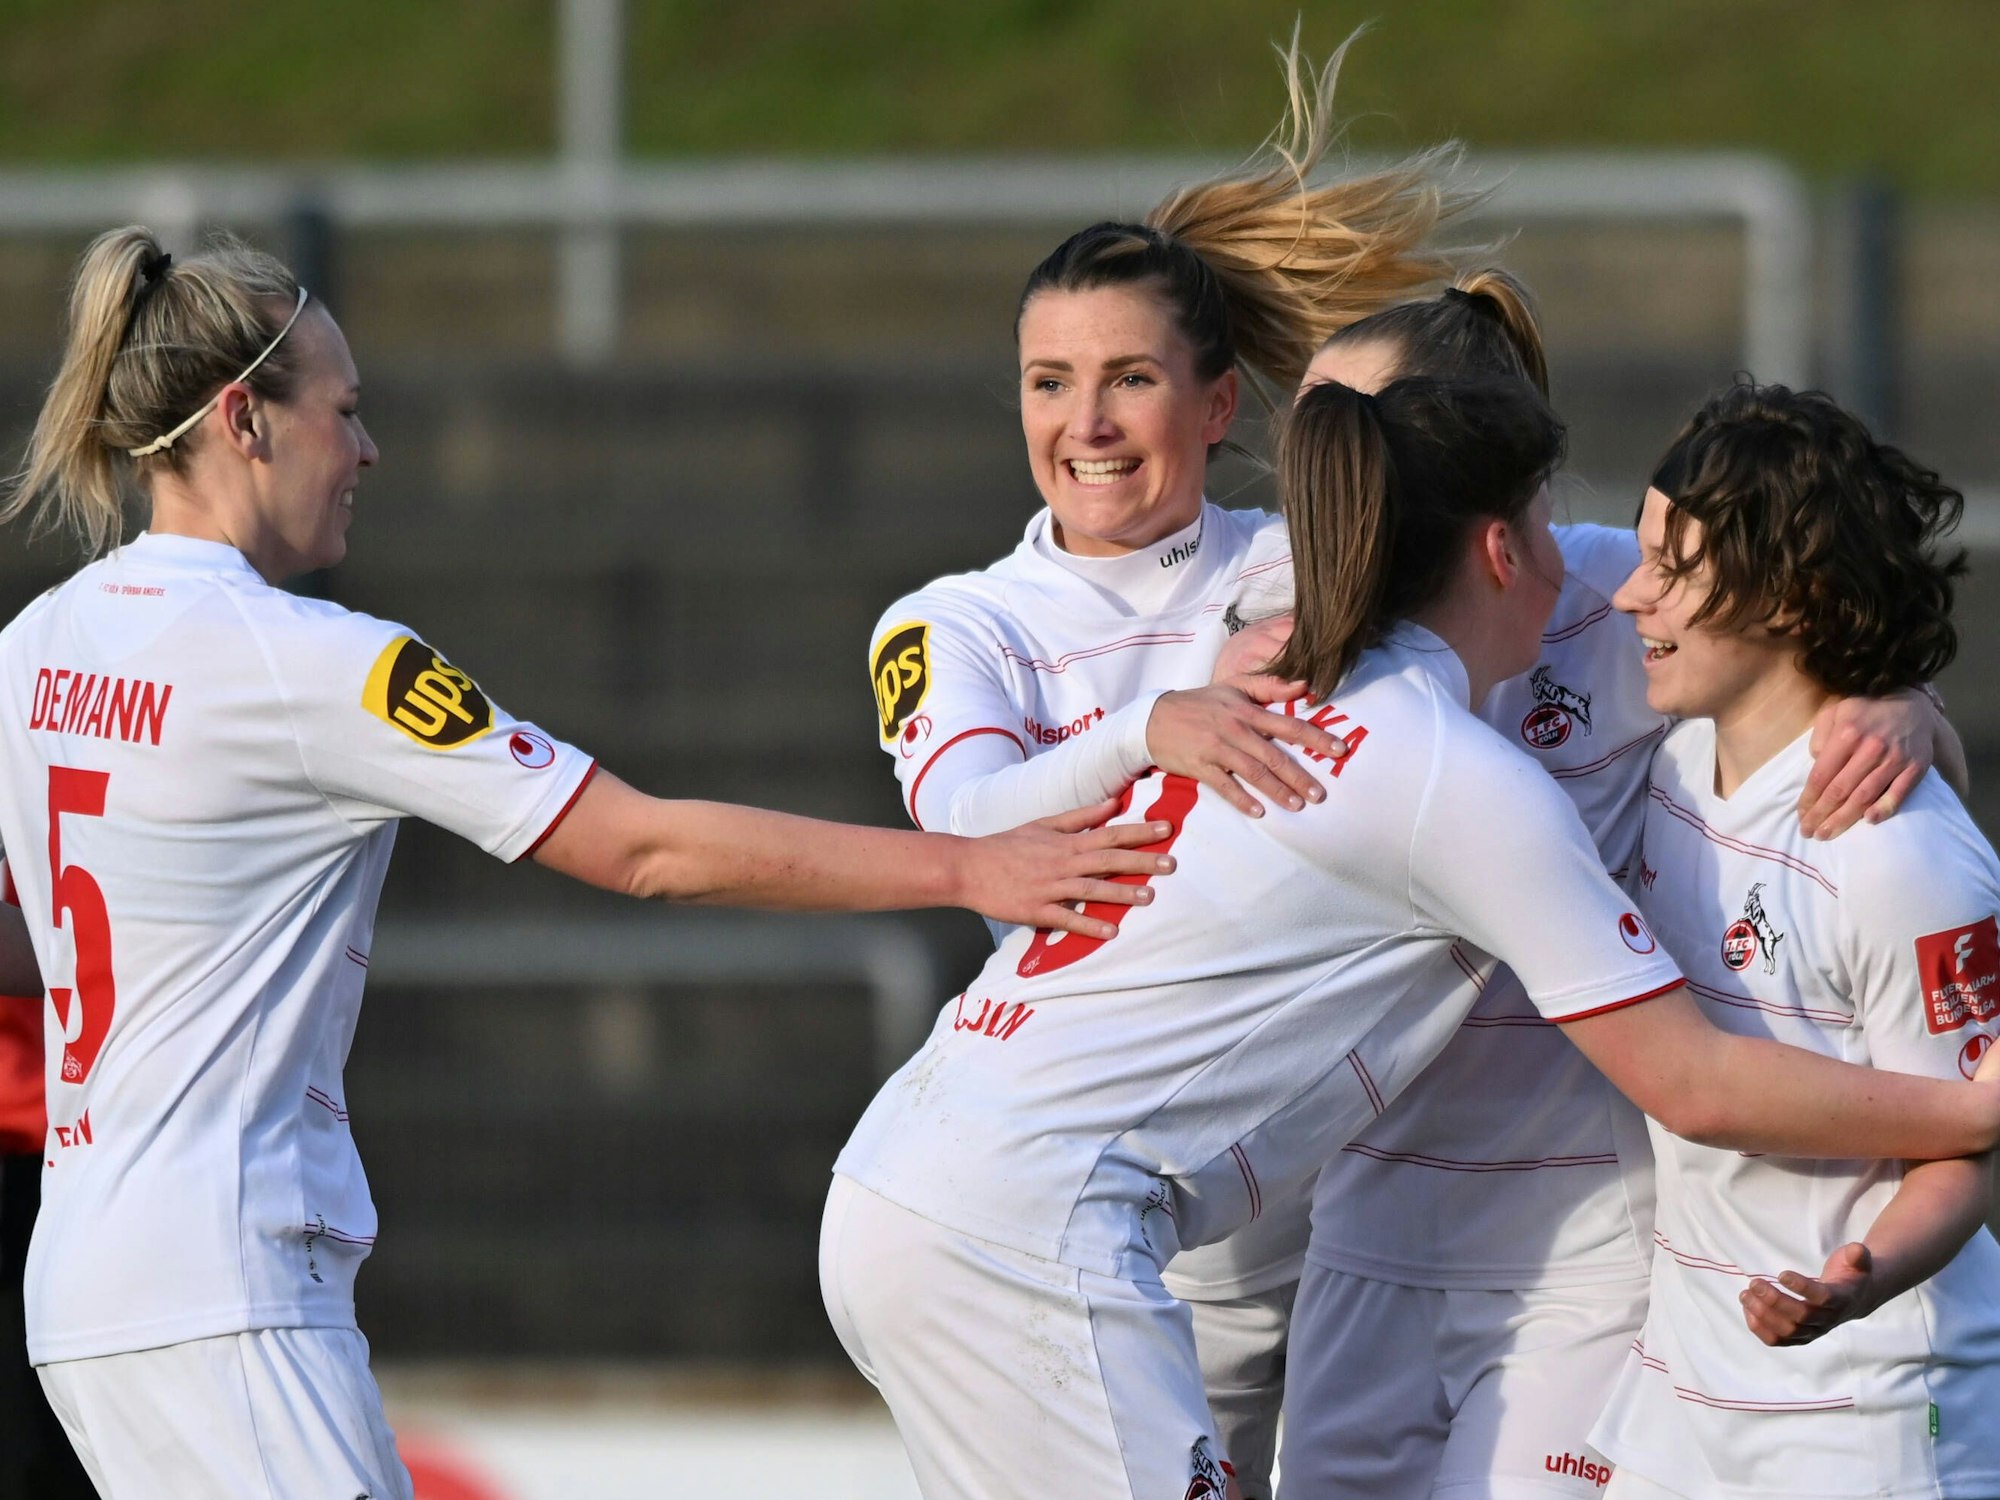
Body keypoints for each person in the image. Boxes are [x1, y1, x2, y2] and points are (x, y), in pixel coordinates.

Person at [0, 227, 1176, 1500]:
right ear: (244, 419)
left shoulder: (38, 644)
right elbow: (647, 846)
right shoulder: (306, 661)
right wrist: (968, 871)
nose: (367, 451)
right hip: (221, 1288)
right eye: (343, 412)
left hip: (81, 1283)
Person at [824, 370, 2000, 1500]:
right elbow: (1688, 1076)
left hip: (930, 1176)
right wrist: (1975, 1110)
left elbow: (1790, 681)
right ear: (1500, 549)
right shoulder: (1448, 770)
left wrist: (1895, 696)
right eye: (1559, 531)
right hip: (1026, 1226)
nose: (1610, 582)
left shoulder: (1294, 695)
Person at [867, 41, 1465, 1492]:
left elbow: (1560, 589)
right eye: (1050, 382)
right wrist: (1156, 729)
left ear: (1215, 410)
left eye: (1130, 379)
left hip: (1355, 1199)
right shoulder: (954, 621)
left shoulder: (1299, 561)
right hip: (1112, 1201)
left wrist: (1871, 686)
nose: (1086, 425)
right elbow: (966, 824)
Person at [1268, 277, 1960, 1500]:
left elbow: (1799, 678)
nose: (1322, 469)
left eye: (1355, 431)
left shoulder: (1606, 602)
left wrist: (1902, 706)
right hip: (1362, 1239)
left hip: (1589, 1265)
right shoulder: (1270, 637)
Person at [1590, 382, 2000, 1500]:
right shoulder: (1668, 760)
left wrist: (1856, 1282)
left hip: (1860, 1409)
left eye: (1673, 570)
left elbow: (1964, 1150)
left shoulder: (1897, 854)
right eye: (1641, 557)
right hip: (1679, 1392)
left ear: (1793, 596)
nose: (1630, 594)